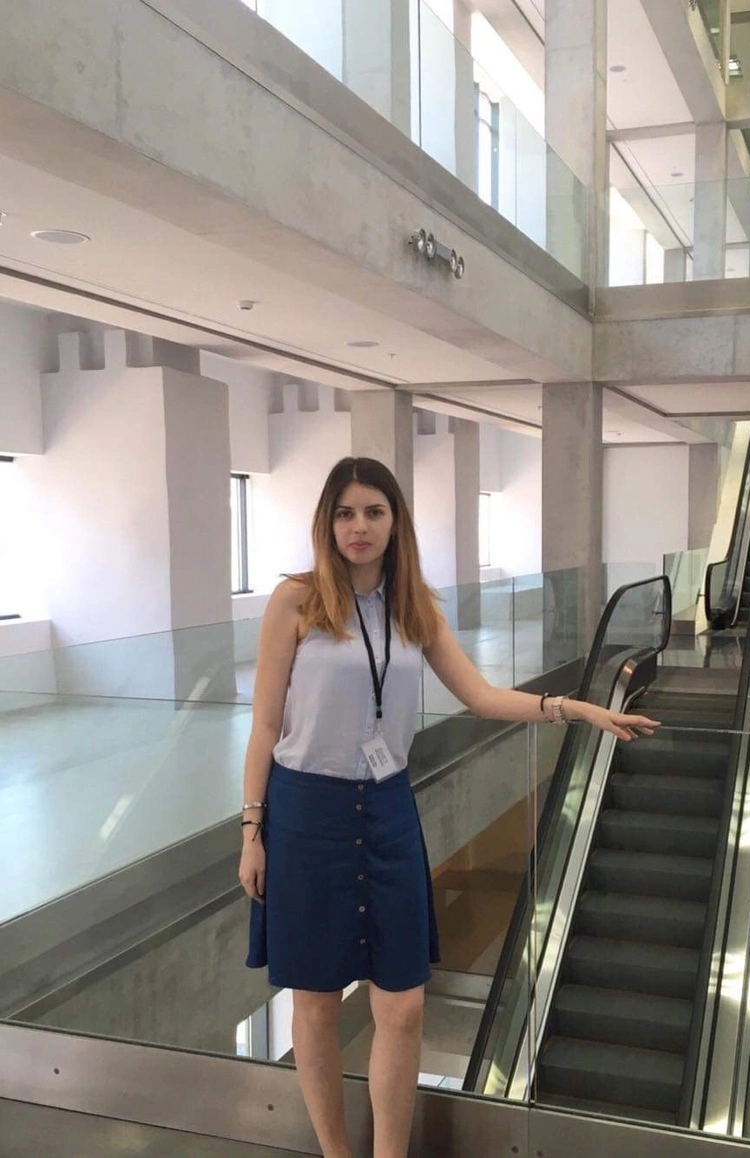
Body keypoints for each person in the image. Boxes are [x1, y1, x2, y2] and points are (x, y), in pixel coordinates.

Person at [239, 456, 659, 1158]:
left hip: (387, 811)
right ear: (327, 523)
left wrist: (576, 708)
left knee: (403, 1005)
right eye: (345, 513)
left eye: (374, 512)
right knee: (314, 1002)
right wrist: (252, 829)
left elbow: (481, 696)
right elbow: (263, 724)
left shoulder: (415, 607)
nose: (359, 526)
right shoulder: (297, 601)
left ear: (395, 521)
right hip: (305, 812)